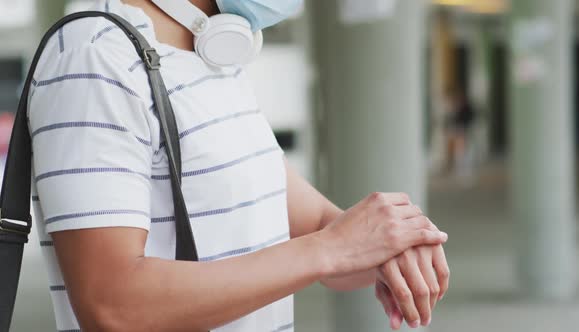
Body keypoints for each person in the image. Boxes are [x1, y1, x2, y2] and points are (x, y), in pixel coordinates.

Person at [28, 0, 450, 331]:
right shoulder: (95, 57)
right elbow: (111, 304)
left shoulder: (210, 59)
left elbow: (320, 224)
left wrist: (389, 246)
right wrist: (330, 249)